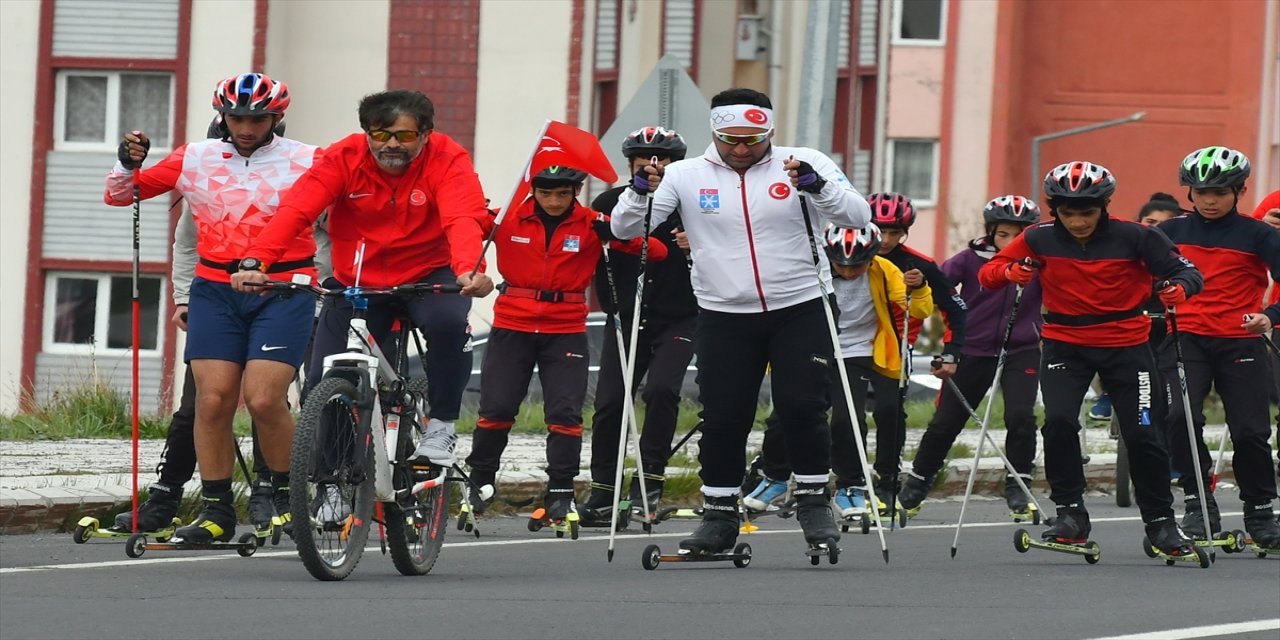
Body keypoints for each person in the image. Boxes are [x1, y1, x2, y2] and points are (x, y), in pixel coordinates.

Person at [613, 87, 871, 555]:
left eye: (753, 139)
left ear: (770, 131)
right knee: (724, 415)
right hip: (723, 310)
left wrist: (817, 186)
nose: (740, 149)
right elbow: (625, 229)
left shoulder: (801, 161)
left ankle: (814, 499)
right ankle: (719, 514)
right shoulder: (685, 175)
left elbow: (859, 215)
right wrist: (638, 193)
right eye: (730, 138)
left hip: (801, 303)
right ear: (714, 132)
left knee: (802, 404)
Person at [234, 89, 495, 488]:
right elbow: (297, 210)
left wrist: (467, 271)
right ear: (367, 133)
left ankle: (441, 424)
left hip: (431, 272)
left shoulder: (448, 158)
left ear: (425, 135)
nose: (391, 144)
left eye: (404, 136)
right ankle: (332, 483)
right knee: (324, 379)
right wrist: (256, 261)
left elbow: (462, 218)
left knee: (447, 324)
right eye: (380, 133)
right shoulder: (343, 158)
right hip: (358, 278)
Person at [106, 73, 320, 543]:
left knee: (264, 399)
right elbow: (123, 195)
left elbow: (347, 214)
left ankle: (286, 497)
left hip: (283, 287)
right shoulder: (195, 156)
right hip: (214, 288)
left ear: (275, 118)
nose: (246, 127)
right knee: (212, 400)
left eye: (258, 118)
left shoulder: (307, 159)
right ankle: (218, 510)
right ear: (222, 115)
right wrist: (127, 165)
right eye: (237, 117)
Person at [978, 160, 1203, 557]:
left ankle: (1161, 524)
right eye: (1068, 213)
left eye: (1087, 212)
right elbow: (989, 273)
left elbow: (1188, 272)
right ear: (1055, 211)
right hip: (1066, 344)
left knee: (1143, 432)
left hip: (1127, 346)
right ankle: (1070, 515)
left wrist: (1178, 289)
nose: (1078, 221)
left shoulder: (1136, 236)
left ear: (1104, 206)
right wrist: (1011, 271)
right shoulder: (1039, 237)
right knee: (1061, 423)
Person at [462, 166, 665, 527]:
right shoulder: (508, 217)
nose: (554, 202)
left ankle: (560, 491)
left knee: (565, 414)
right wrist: (476, 208)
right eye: (545, 194)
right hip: (513, 323)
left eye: (563, 194)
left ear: (575, 192)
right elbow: (462, 225)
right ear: (532, 191)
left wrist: (619, 233)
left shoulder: (592, 221)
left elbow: (657, 251)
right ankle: (480, 480)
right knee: (497, 408)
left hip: (566, 327)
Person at [743, 223, 933, 523]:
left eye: (856, 266)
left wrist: (919, 288)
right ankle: (775, 477)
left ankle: (850, 484)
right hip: (811, 346)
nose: (847, 272)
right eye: (840, 265)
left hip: (856, 352)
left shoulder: (884, 270)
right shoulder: (810, 268)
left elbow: (919, 311)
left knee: (848, 421)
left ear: (871, 257)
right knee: (784, 414)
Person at [1155, 146, 1280, 548]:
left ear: (1240, 191)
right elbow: (1138, 277)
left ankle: (1260, 514)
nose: (1210, 200)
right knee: (1179, 417)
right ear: (1189, 192)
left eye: (1221, 192)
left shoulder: (1259, 234)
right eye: (1201, 191)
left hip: (1240, 340)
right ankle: (1197, 503)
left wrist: (1271, 316)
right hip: (1184, 337)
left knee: (1251, 432)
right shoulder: (1169, 233)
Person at [579, 127, 697, 527]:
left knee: (662, 391)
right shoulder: (612, 202)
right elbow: (598, 258)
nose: (653, 166)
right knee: (611, 400)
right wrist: (612, 305)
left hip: (681, 315)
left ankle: (649, 481)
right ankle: (603, 491)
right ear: (630, 164)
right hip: (629, 317)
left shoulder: (691, 203)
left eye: (662, 159)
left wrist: (695, 246)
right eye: (643, 159)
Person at [898, 195, 1043, 518]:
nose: (1011, 242)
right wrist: (917, 283)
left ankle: (1018, 486)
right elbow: (938, 288)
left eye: (1019, 235)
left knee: (1021, 417)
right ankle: (918, 482)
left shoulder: (1040, 262)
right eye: (1004, 234)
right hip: (972, 348)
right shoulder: (968, 258)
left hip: (1021, 349)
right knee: (947, 421)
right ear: (991, 231)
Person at [866, 192, 968, 504]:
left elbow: (956, 308)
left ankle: (886, 477)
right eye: (879, 230)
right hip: (846, 342)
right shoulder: (847, 252)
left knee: (889, 410)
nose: (885, 239)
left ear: (905, 232)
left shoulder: (919, 263)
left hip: (896, 346)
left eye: (894, 232)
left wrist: (951, 352)